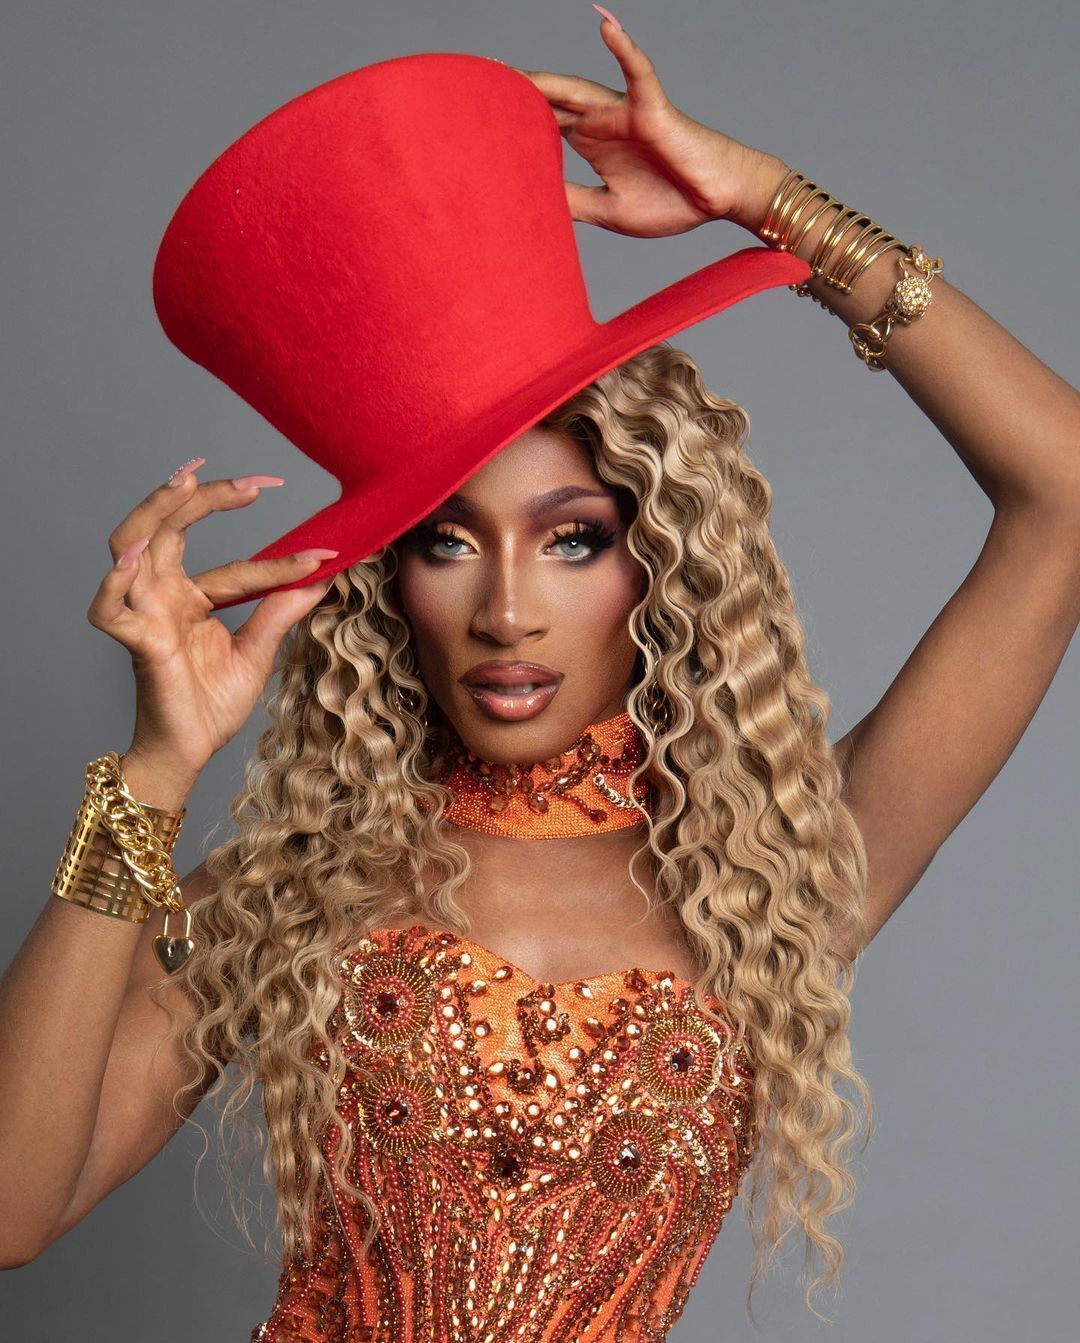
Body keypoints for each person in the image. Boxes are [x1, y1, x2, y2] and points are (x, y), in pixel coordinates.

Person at [2, 12, 1078, 1340]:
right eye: (447, 543)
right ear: (388, 582)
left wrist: (774, 206)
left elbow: (1065, 496)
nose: (508, 612)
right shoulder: (293, 894)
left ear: (657, 565)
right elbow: (10, 1216)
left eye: (573, 541)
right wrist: (156, 771)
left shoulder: (776, 878)